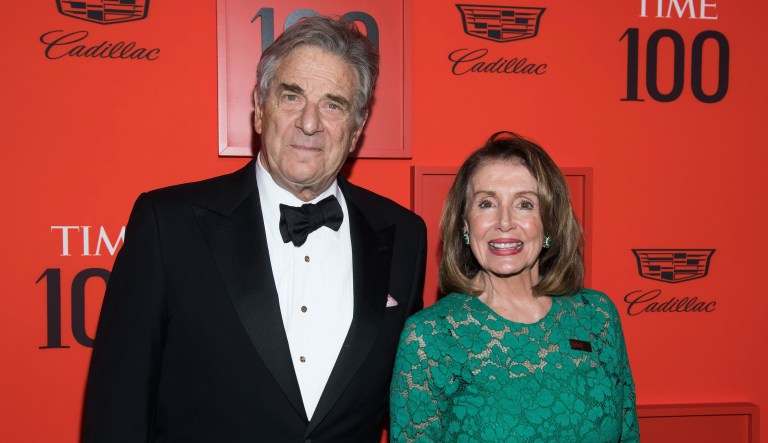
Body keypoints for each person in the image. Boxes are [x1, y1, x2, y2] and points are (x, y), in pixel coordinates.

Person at [81, 16, 427, 443]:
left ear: (356, 129)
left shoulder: (405, 236)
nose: (310, 123)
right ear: (260, 110)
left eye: (333, 104)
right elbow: (118, 406)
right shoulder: (168, 224)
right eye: (291, 97)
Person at [390, 132, 638, 442]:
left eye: (524, 204)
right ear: (465, 225)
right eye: (486, 203)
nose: (504, 222)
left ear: (549, 222)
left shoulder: (597, 317)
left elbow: (628, 434)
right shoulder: (431, 337)